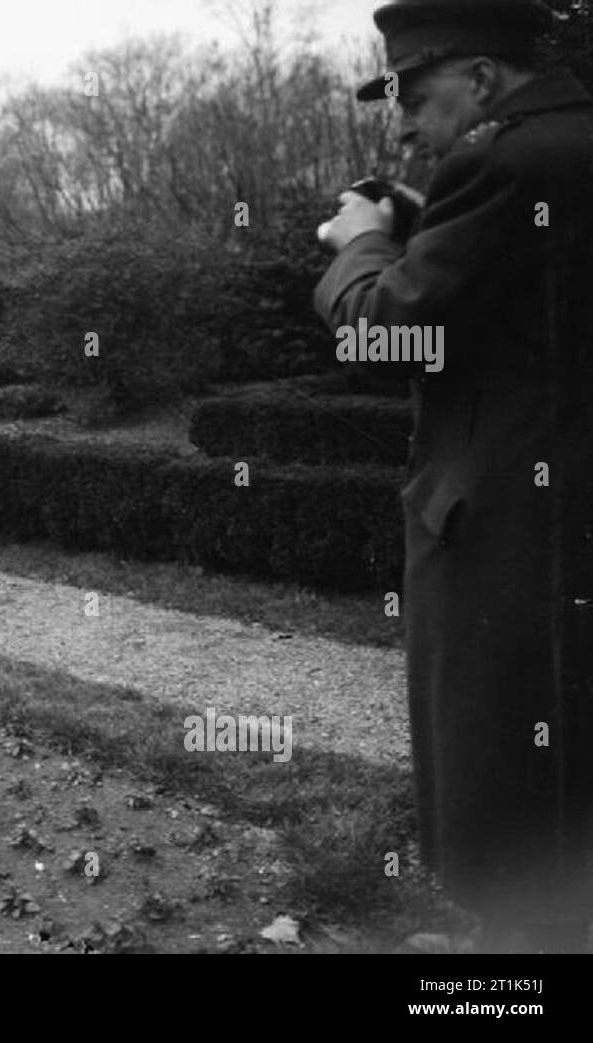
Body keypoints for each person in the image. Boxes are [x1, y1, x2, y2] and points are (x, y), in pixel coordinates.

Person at [315, 0, 593, 952]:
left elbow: (388, 331)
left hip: (515, 531)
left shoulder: (503, 161)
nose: (400, 122)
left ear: (480, 79)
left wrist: (359, 239)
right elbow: (528, 295)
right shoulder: (560, 149)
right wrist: (426, 219)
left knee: (512, 767)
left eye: (414, 94)